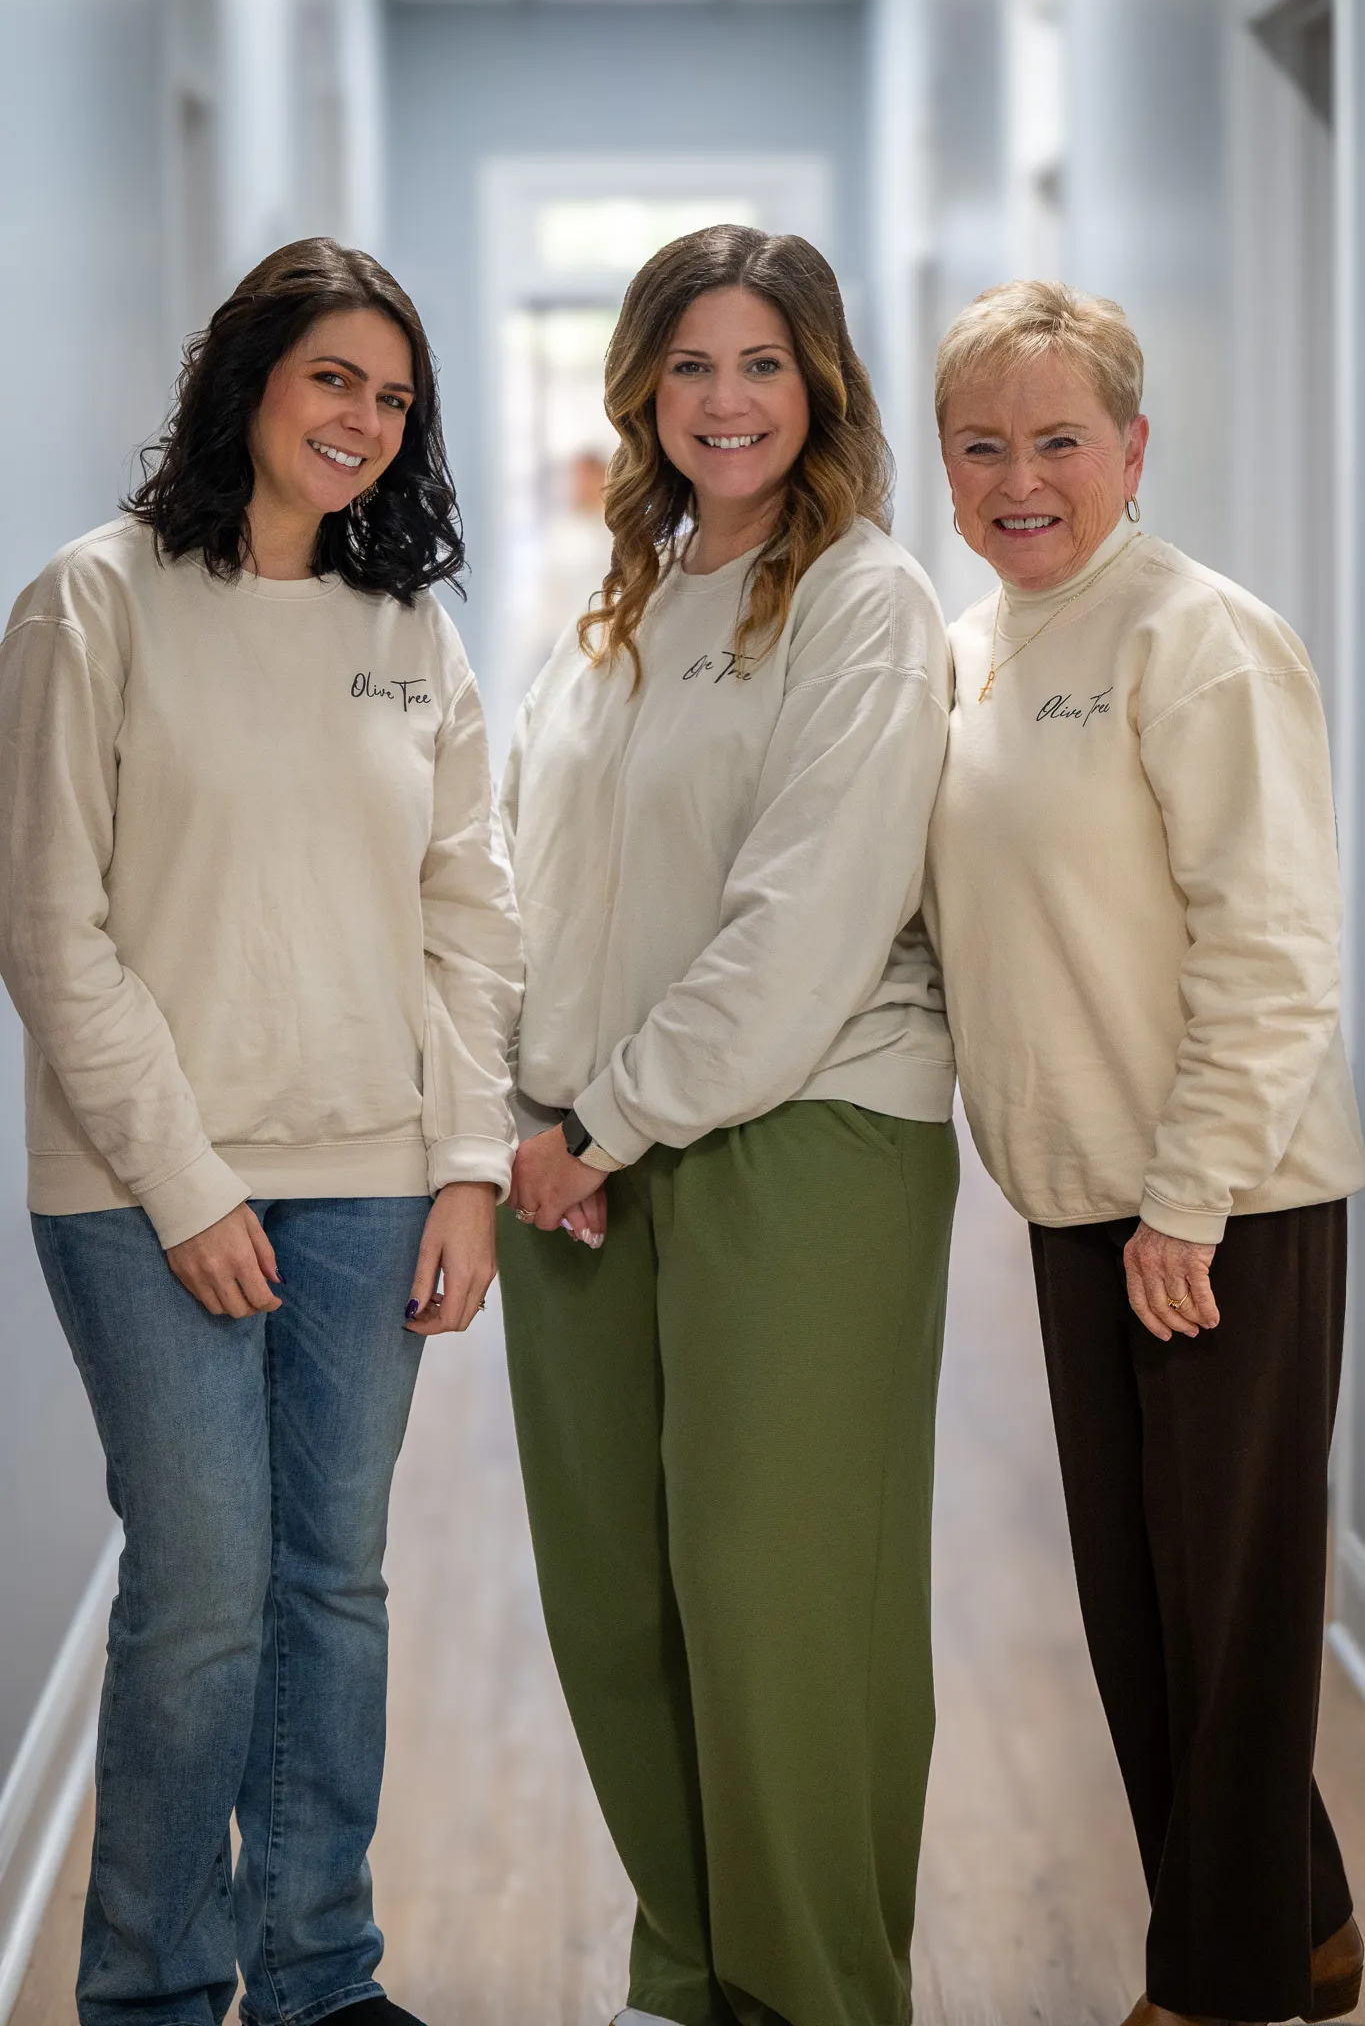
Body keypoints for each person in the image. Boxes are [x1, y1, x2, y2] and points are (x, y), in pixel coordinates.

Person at [0, 238, 521, 2026]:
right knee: (207, 1591)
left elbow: (473, 918)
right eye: (332, 381)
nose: (364, 422)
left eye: (393, 397)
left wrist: (467, 1164)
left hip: (375, 1180)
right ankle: (148, 1990)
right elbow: (50, 926)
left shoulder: (408, 636)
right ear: (249, 381)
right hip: (147, 1190)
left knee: (335, 1588)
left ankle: (318, 1971)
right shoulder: (96, 600)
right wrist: (190, 1182)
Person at [496, 222, 957, 2026]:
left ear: (820, 380)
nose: (726, 398)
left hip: (804, 1131)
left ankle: (821, 1990)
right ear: (645, 392)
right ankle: (689, 1968)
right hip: (590, 1147)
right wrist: (543, 1118)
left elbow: (807, 921)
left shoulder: (866, 600)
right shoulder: (617, 602)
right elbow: (531, 872)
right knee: (618, 1596)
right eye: (691, 364)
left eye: (761, 362)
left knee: (778, 1605)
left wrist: (602, 1121)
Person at [924, 277, 1365, 2026]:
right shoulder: (969, 651)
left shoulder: (1202, 638)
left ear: (1132, 448)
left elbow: (1274, 951)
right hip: (1077, 1203)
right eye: (982, 445)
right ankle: (1315, 1927)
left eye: (1058, 441)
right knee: (1144, 1617)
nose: (1019, 477)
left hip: (1227, 1207)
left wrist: (1185, 1203)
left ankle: (1219, 1988)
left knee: (1237, 1627)